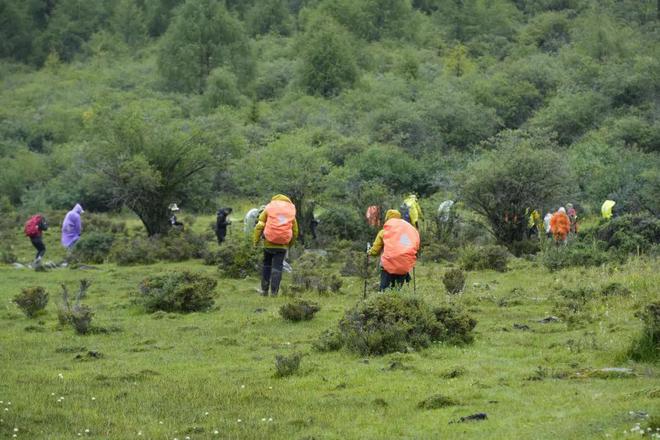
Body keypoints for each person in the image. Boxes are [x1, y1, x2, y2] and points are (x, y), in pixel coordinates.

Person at [253, 194, 298, 297]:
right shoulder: (290, 211)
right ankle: (274, 293)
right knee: (277, 267)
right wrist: (289, 245)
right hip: (282, 245)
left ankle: (264, 291)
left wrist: (255, 241)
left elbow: (259, 226)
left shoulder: (269, 208)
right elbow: (295, 231)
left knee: (266, 265)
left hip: (268, 243)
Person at [368, 209, 420, 291]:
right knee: (397, 291)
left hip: (387, 267)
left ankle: (383, 303)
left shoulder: (384, 232)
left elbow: (374, 251)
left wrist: (369, 252)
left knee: (384, 291)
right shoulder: (404, 235)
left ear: (387, 218)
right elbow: (407, 247)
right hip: (403, 267)